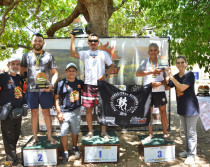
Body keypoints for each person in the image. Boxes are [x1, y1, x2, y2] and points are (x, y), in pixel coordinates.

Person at [70, 33, 114, 140]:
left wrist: (106, 74)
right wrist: (72, 39)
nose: (93, 43)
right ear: (88, 42)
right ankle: (90, 131)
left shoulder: (103, 53)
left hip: (101, 85)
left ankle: (104, 132)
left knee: (103, 109)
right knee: (88, 110)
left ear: (98, 42)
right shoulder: (85, 53)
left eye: (95, 41)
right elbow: (73, 54)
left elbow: (112, 66)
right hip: (88, 85)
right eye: (91, 41)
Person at [20, 33, 58, 145]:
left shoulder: (49, 56)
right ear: (31, 42)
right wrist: (25, 82)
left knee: (46, 112)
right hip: (31, 90)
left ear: (43, 43)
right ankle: (35, 138)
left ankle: (50, 137)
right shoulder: (25, 56)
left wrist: (51, 84)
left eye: (40, 41)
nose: (37, 43)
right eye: (35, 40)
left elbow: (55, 73)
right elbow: (22, 72)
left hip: (45, 89)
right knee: (34, 113)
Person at [165, 55, 200, 165]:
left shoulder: (189, 75)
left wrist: (171, 77)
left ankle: (192, 154)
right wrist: (166, 76)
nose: (180, 64)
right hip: (182, 108)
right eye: (178, 62)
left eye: (182, 62)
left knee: (191, 132)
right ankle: (188, 150)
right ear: (176, 64)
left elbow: (181, 87)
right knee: (186, 132)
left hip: (192, 109)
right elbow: (167, 87)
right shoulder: (175, 76)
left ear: (186, 63)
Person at [136, 43, 171, 141]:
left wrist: (160, 83)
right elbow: (138, 73)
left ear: (158, 52)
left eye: (155, 50)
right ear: (148, 52)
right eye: (151, 50)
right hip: (148, 90)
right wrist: (153, 72)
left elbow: (168, 78)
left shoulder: (163, 63)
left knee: (163, 112)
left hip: (160, 91)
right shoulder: (145, 62)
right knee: (149, 112)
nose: (153, 52)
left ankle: (165, 133)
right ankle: (150, 134)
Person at [54, 63, 84, 163]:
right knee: (64, 132)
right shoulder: (61, 83)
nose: (71, 72)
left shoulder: (80, 82)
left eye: (73, 71)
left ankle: (75, 147)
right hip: (64, 111)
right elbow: (56, 99)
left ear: (76, 72)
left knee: (75, 131)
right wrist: (59, 112)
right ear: (66, 72)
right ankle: (65, 151)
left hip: (76, 111)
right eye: (69, 71)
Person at [0, 56, 23, 166]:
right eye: (13, 64)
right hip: (7, 114)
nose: (15, 66)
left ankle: (10, 158)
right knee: (9, 138)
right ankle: (14, 162)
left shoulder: (19, 78)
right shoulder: (2, 77)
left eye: (17, 64)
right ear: (8, 65)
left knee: (16, 136)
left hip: (18, 113)